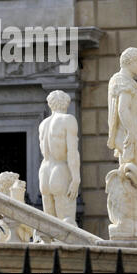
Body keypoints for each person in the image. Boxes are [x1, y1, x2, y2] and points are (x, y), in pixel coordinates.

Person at [108, 47, 137, 198]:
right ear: (130, 62)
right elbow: (122, 110)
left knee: (130, 167)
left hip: (128, 133)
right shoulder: (123, 81)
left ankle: (129, 201)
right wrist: (132, 132)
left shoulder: (125, 81)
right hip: (127, 134)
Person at [38, 90, 80, 226]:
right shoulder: (68, 120)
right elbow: (72, 152)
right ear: (66, 103)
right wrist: (76, 178)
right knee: (66, 222)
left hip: (44, 170)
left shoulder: (43, 124)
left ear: (51, 105)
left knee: (49, 225)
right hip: (60, 169)